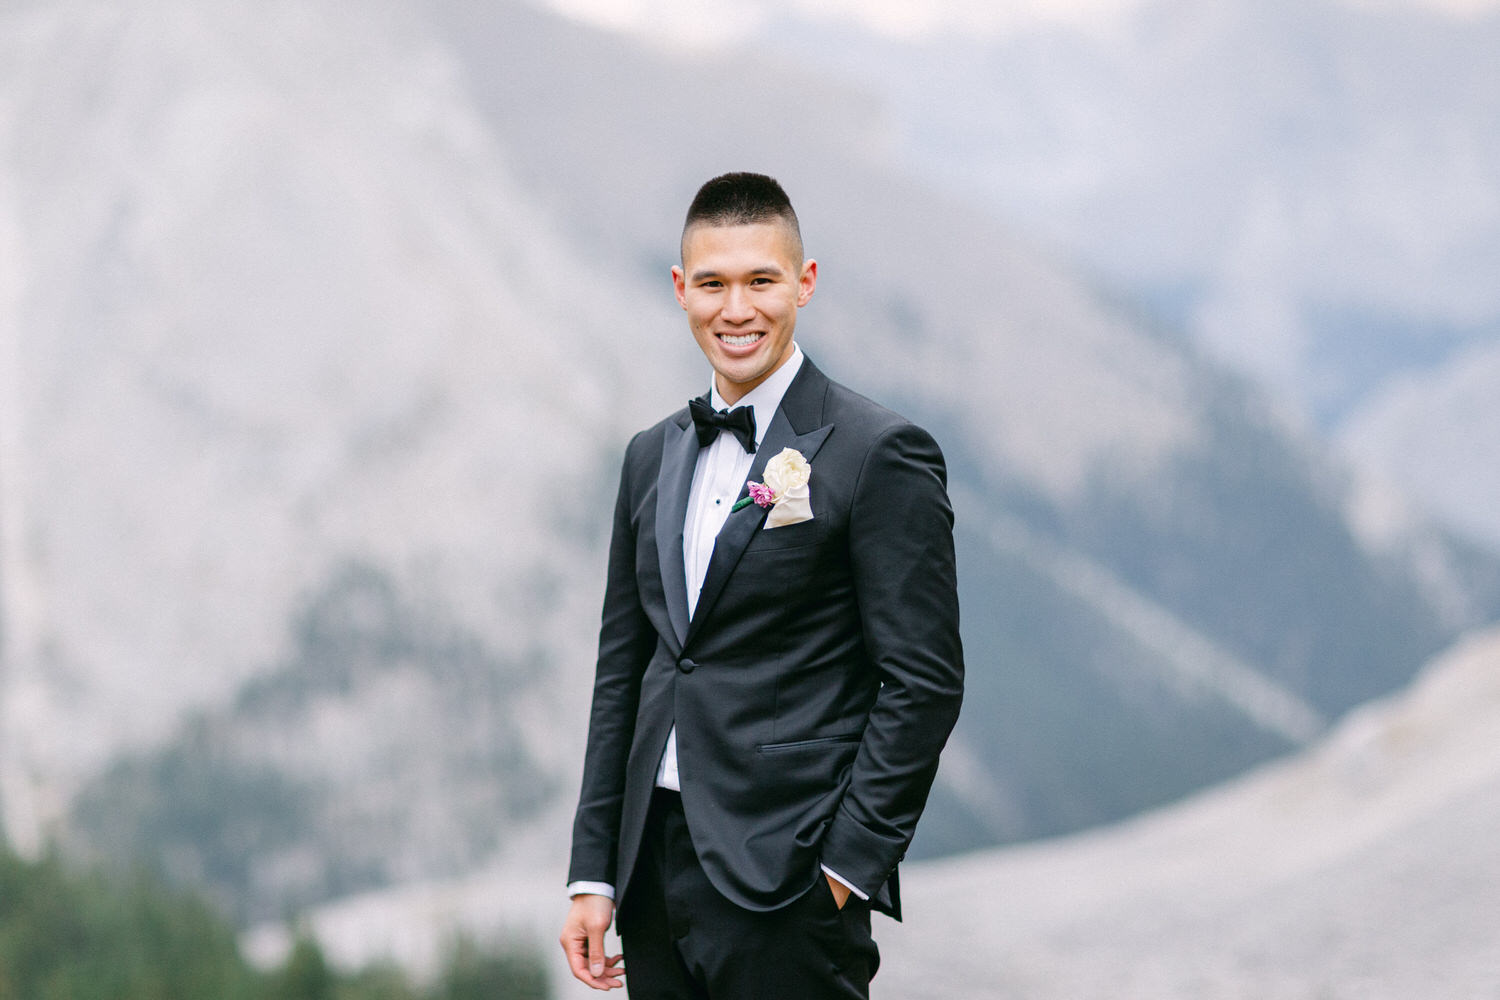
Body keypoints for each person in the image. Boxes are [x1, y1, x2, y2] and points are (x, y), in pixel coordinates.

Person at [559, 172, 964, 999]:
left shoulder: (878, 450)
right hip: (650, 876)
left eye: (760, 281)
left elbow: (924, 682)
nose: (735, 309)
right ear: (681, 291)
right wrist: (594, 875)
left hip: (789, 883)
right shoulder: (650, 455)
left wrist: (845, 869)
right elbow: (624, 673)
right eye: (712, 283)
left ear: (804, 283)